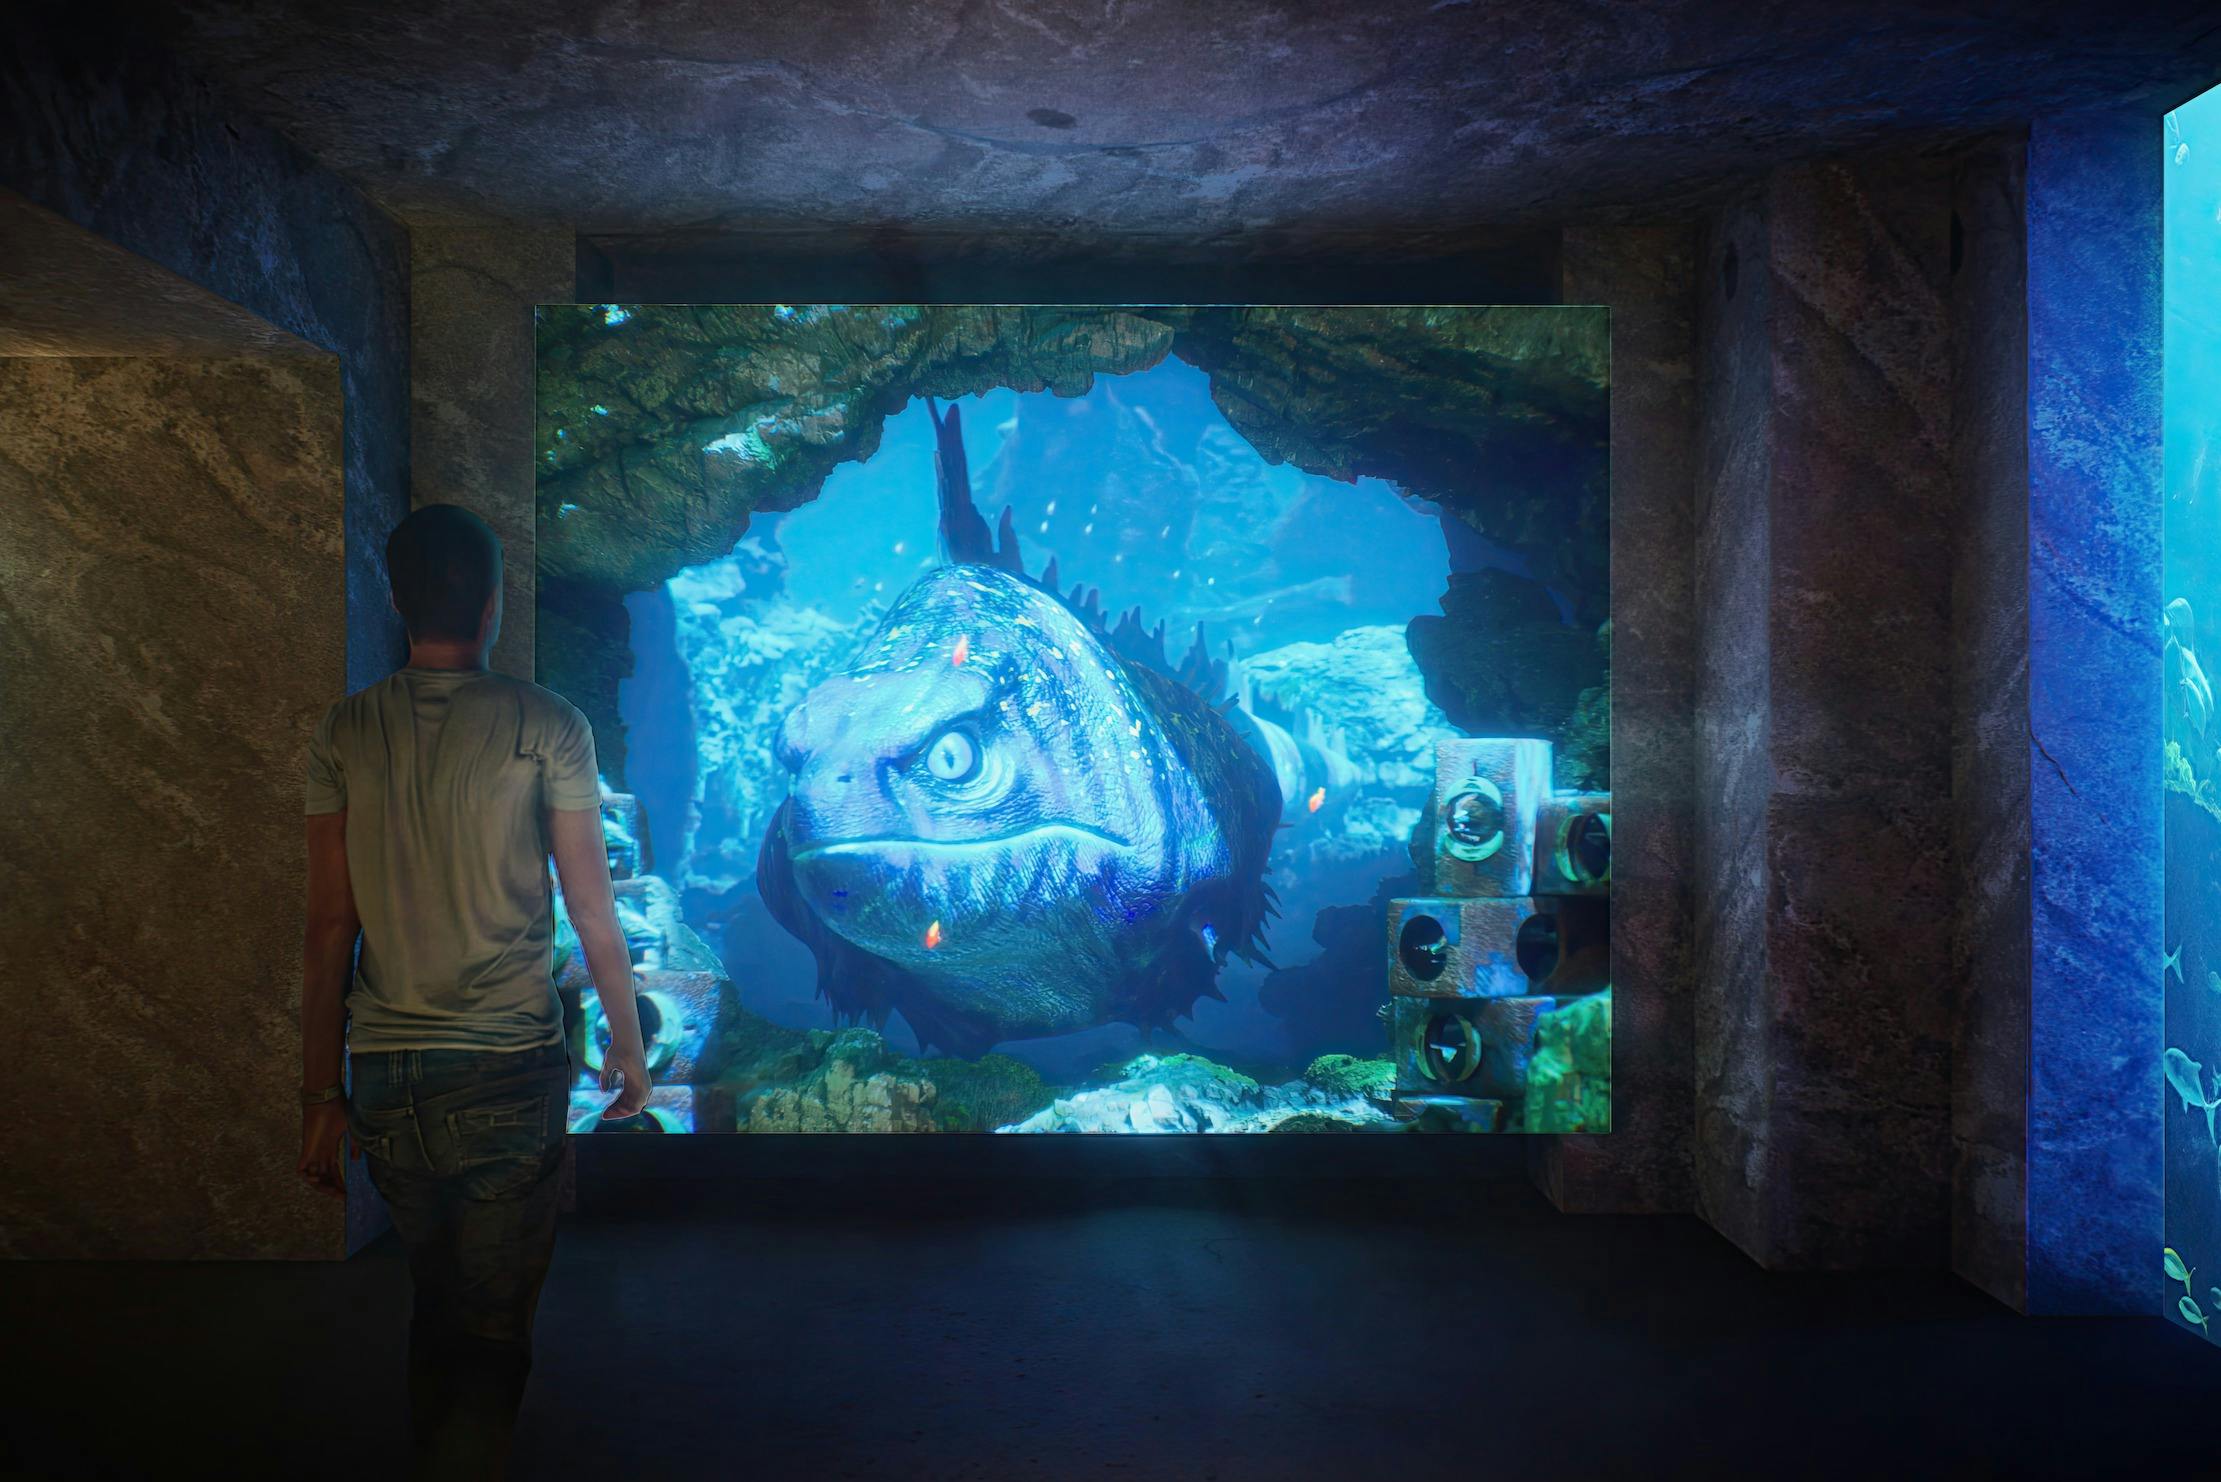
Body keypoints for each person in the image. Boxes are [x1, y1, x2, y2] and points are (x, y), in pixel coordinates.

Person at [294, 503, 652, 1479]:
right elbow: (592, 908)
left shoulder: (346, 730)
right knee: (493, 1336)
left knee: (436, 1303)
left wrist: (319, 1092)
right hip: (504, 1068)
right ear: (493, 606)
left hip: (387, 1076)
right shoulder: (547, 725)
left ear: (395, 599)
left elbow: (331, 928)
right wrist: (627, 1042)